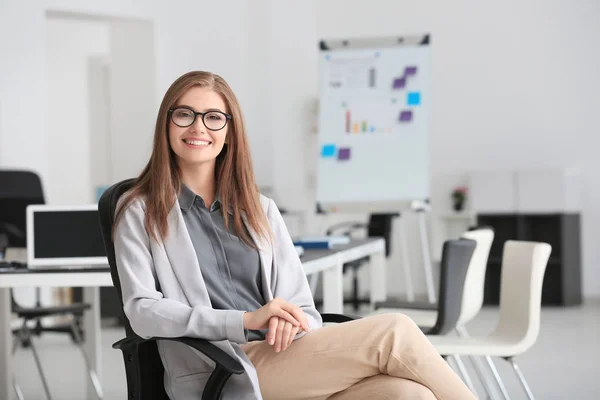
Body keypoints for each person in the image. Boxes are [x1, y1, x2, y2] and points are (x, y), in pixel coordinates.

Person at [113, 71, 476, 400]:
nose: (198, 128)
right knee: (395, 331)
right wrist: (243, 320)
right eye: (184, 114)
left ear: (229, 132)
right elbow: (143, 311)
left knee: (408, 394)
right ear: (167, 124)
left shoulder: (260, 209)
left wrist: (287, 320)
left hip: (286, 356)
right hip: (223, 370)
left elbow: (302, 306)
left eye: (212, 117)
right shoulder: (139, 211)